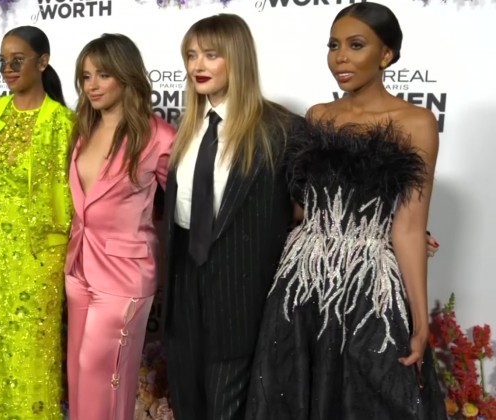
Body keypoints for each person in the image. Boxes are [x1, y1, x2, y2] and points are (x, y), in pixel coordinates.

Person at [245, 3, 445, 418]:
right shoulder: (319, 116)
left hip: (369, 286)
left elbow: (408, 227)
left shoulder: (417, 122)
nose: (341, 57)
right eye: (333, 46)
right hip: (301, 281)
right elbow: (301, 207)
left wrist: (420, 319)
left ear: (386, 54)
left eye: (356, 45)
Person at [161, 14, 302, 420]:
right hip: (183, 286)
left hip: (242, 295)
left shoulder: (281, 129)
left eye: (211, 55)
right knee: (187, 401)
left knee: (228, 407)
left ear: (237, 58)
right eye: (191, 55)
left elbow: (316, 207)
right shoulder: (187, 128)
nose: (197, 66)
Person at [0, 26, 74, 419]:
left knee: (31, 348)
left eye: (17, 60)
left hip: (38, 254)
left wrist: (54, 253)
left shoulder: (61, 122)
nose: (7, 69)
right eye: (3, 61)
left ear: (43, 62)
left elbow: (69, 195)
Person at [64, 33, 175, 420]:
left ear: (127, 76)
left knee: (102, 377)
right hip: (78, 268)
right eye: (86, 76)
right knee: (79, 375)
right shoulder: (83, 130)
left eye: (103, 75)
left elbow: (184, 208)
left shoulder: (159, 137)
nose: (92, 85)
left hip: (124, 276)